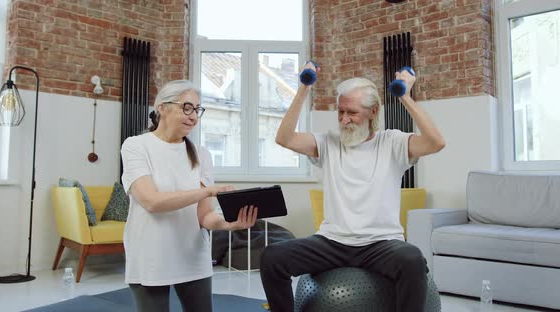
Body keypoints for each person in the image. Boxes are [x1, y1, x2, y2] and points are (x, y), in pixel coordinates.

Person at [260, 63, 445, 312]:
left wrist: (405, 97)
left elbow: (436, 142)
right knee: (273, 258)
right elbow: (284, 138)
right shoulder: (328, 143)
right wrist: (304, 87)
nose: (344, 119)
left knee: (411, 259)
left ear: (373, 112)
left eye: (352, 113)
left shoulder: (392, 143)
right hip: (331, 242)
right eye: (340, 112)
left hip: (381, 243)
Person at [121, 80, 258, 312]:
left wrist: (228, 224)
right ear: (162, 107)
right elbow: (151, 202)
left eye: (197, 109)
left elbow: (204, 215)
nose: (193, 116)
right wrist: (208, 190)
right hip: (150, 253)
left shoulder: (202, 155)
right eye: (187, 107)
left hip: (193, 254)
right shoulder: (136, 146)